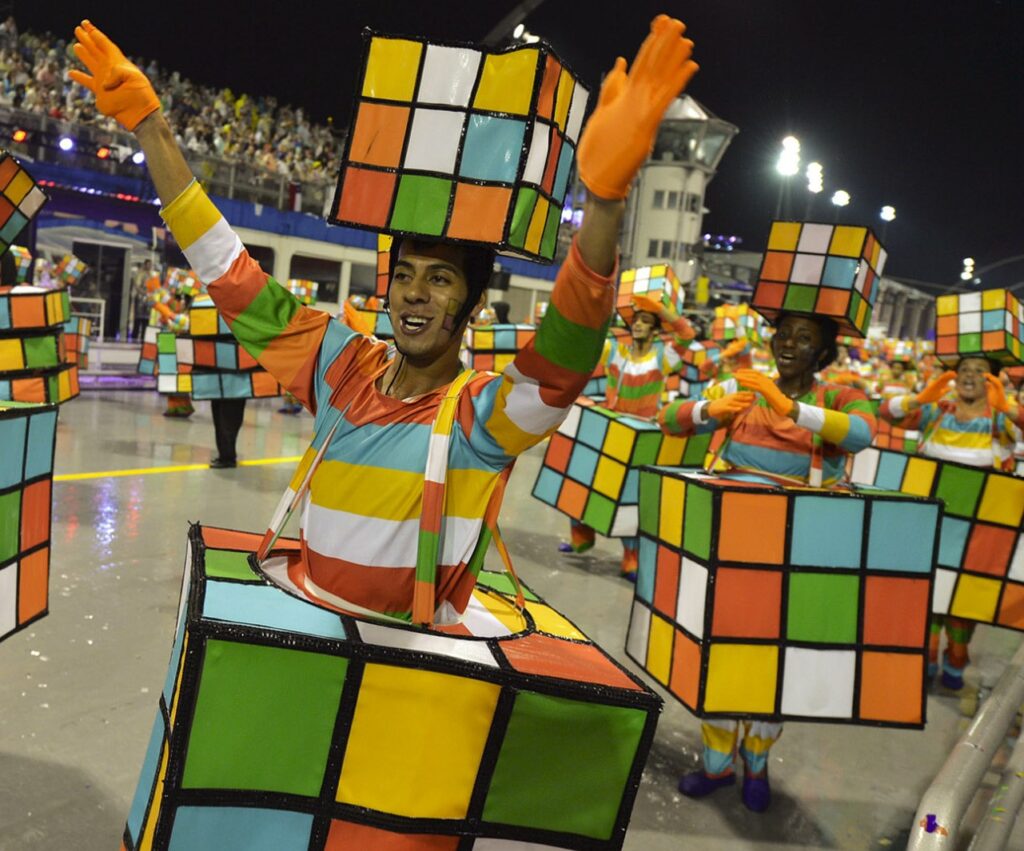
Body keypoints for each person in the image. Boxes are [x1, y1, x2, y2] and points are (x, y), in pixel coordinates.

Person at [71, 15, 699, 623]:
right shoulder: (341, 368)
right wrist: (153, 128)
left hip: (407, 680)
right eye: (404, 275)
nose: (414, 294)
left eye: (441, 278)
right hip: (312, 651)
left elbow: (563, 357)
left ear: (473, 305)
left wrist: (605, 204)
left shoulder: (482, 421)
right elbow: (231, 276)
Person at [658, 311, 876, 811]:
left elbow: (863, 433)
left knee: (775, 662)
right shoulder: (744, 385)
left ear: (823, 353)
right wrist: (706, 412)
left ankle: (756, 763)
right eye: (784, 333)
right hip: (726, 547)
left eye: (805, 338)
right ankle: (717, 765)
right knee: (719, 654)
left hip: (796, 554)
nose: (789, 344)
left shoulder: (838, 397)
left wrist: (790, 409)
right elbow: (666, 420)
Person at [882, 356, 1024, 692]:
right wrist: (920, 397)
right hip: (931, 522)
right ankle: (927, 658)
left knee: (965, 599)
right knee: (929, 592)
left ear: (993, 380)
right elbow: (885, 414)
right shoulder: (936, 412)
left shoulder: (1001, 419)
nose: (970, 377)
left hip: (979, 529)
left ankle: (956, 657)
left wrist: (1007, 406)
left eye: (980, 372)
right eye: (964, 371)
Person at [559, 292, 695, 577]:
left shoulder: (664, 356)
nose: (638, 325)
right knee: (587, 479)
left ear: (655, 330)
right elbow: (590, 340)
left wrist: (661, 309)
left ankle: (631, 557)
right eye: (637, 321)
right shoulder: (615, 351)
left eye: (646, 321)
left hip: (642, 433)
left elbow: (686, 333)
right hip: (611, 427)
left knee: (631, 495)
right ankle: (581, 537)